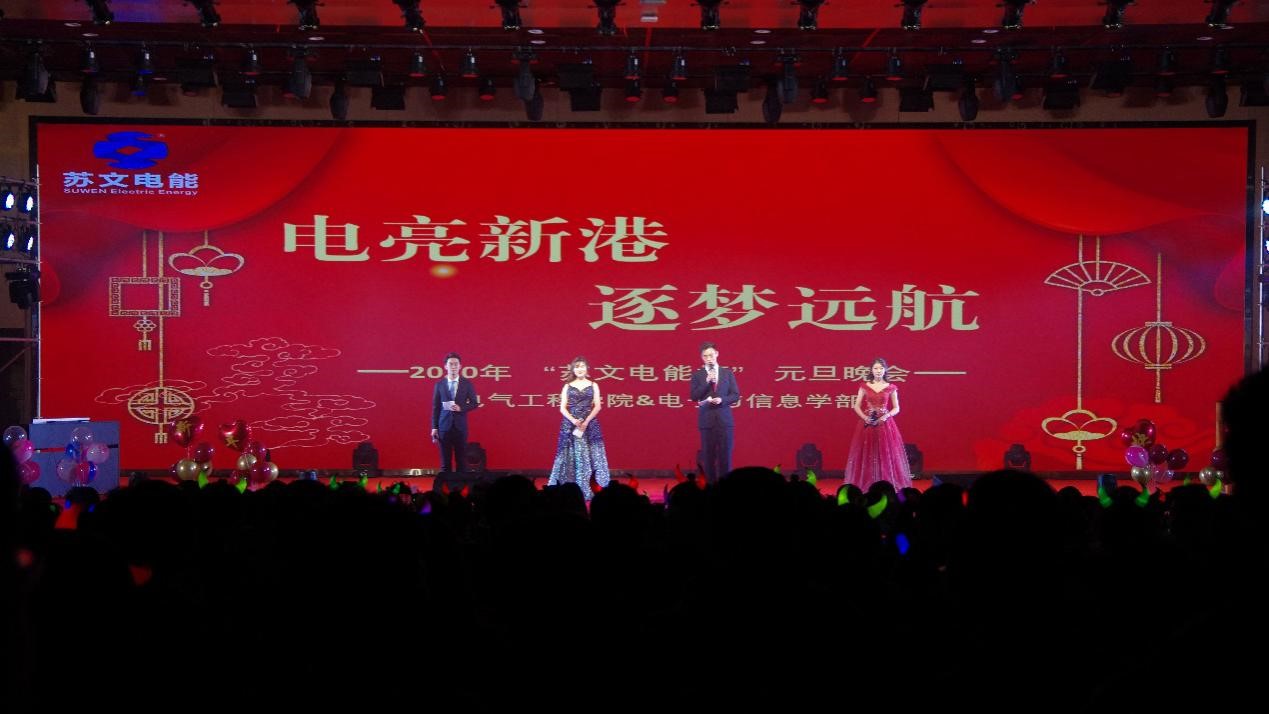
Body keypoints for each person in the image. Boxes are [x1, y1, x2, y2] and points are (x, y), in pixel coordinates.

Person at [547, 356, 611, 501]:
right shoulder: (567, 386)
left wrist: (586, 421)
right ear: (573, 369)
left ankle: (591, 487)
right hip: (570, 424)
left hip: (590, 424)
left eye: (582, 366)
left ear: (587, 368)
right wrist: (574, 420)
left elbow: (598, 406)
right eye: (577, 367)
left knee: (592, 454)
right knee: (570, 455)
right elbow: (562, 408)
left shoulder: (594, 385)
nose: (580, 369)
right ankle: (569, 488)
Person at [844, 357, 912, 490]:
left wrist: (886, 416)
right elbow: (856, 406)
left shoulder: (891, 387)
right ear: (871, 370)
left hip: (885, 424)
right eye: (875, 368)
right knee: (867, 453)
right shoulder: (864, 386)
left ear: (885, 370)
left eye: (881, 368)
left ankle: (886, 483)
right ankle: (866, 483)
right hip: (868, 423)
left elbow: (897, 408)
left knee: (885, 454)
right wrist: (865, 418)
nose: (878, 371)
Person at [689, 342, 740, 484]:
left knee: (725, 457)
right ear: (701, 357)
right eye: (705, 356)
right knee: (708, 458)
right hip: (707, 421)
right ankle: (710, 487)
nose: (708, 358)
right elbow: (694, 396)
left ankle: (725, 487)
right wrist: (706, 382)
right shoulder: (697, 375)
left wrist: (722, 400)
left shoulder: (727, 373)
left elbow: (735, 395)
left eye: (711, 355)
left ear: (717, 354)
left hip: (725, 421)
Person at [430, 352, 480, 473]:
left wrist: (461, 408)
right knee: (445, 463)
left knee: (461, 462)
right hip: (443, 427)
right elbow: (436, 407)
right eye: (450, 364)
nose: (453, 366)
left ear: (460, 366)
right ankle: (446, 484)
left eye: (456, 364)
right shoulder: (439, 385)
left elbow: (474, 403)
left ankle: (460, 484)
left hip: (460, 427)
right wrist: (434, 427)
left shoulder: (467, 383)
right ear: (445, 366)